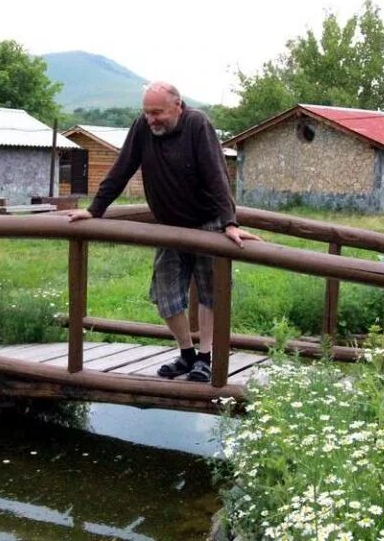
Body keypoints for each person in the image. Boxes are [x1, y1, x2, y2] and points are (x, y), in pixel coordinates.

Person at [64, 82, 260, 382]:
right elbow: (122, 167)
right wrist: (94, 210)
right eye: (147, 113)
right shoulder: (142, 128)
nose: (151, 119)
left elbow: (216, 174)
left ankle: (206, 357)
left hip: (208, 222)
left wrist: (230, 222)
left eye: (158, 112)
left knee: (212, 293)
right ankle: (187, 354)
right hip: (169, 226)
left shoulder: (197, 125)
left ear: (177, 107)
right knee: (165, 294)